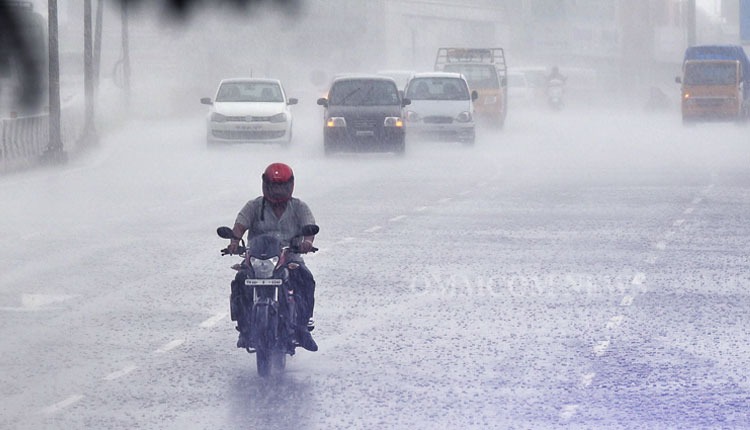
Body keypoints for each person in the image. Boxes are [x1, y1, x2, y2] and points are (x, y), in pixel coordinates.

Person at [227, 162, 319, 352]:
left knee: (306, 279)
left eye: (282, 186)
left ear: (290, 185)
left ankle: (302, 327)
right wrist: (234, 242)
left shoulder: (299, 207)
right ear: (265, 184)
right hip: (257, 259)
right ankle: (244, 327)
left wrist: (307, 243)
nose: (278, 191)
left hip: (289, 257)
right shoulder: (254, 206)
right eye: (274, 186)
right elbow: (240, 225)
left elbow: (309, 226)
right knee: (240, 280)